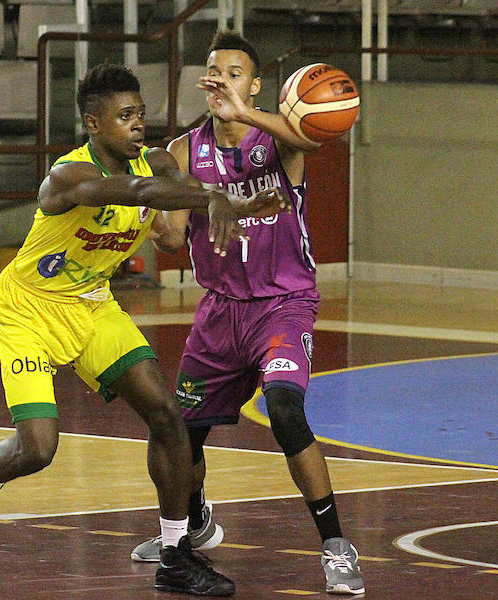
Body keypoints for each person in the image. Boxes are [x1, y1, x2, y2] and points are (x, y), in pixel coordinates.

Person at [0, 63, 290, 597]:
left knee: (166, 413)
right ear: (93, 123)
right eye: (125, 116)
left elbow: (174, 202)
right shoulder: (67, 178)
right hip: (29, 309)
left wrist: (228, 202)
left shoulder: (156, 160)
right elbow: (137, 192)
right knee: (38, 449)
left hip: (94, 306)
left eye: (142, 114)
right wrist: (211, 199)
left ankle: (175, 552)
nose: (138, 125)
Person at [128, 31, 365, 596]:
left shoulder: (280, 141)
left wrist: (246, 113)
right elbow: (170, 241)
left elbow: (312, 137)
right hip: (218, 313)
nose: (221, 80)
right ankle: (187, 527)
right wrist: (148, 208)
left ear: (254, 85)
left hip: (283, 305)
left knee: (284, 411)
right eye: (214, 71)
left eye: (234, 73)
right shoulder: (185, 152)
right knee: (180, 437)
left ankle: (335, 544)